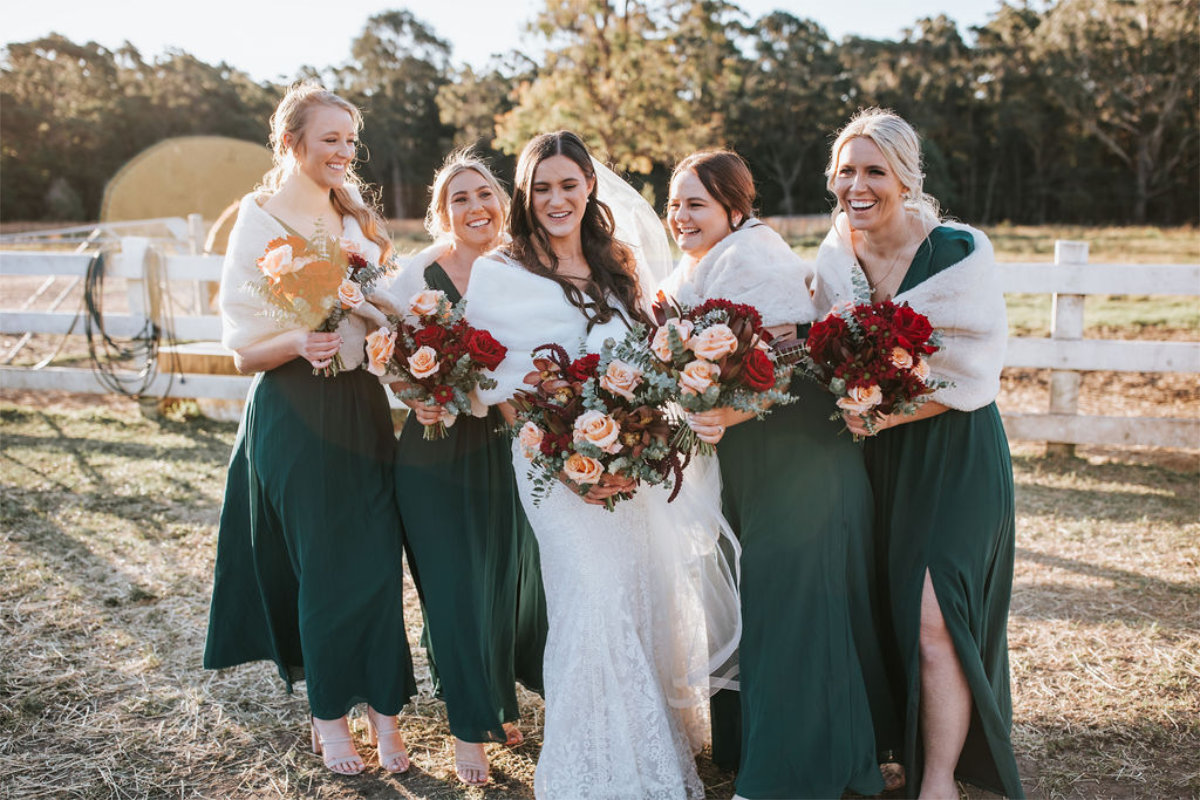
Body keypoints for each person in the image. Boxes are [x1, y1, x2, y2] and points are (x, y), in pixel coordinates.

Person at [463, 130, 737, 800]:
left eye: (569, 184)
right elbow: (506, 397)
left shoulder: (617, 262)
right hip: (550, 468)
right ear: (526, 196)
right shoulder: (503, 271)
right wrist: (571, 468)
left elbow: (646, 366)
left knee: (638, 591)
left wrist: (635, 449)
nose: (557, 199)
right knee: (594, 597)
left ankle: (645, 740)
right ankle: (594, 770)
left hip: (631, 467)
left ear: (589, 185)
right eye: (543, 187)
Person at [203, 81, 416, 777]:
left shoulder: (351, 217)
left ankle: (386, 709)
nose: (344, 153)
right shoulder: (259, 224)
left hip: (358, 406)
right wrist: (298, 339)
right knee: (324, 567)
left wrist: (379, 314)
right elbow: (242, 351)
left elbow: (379, 302)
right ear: (290, 142)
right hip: (294, 410)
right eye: (331, 139)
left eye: (351, 141)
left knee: (378, 565)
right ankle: (330, 718)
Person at [663, 150, 887, 799]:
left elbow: (790, 355)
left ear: (736, 207)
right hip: (751, 456)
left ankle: (788, 773)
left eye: (696, 203)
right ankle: (759, 744)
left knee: (791, 606)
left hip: (797, 457)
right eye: (675, 203)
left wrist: (723, 413)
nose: (680, 215)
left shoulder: (755, 258)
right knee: (759, 601)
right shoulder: (700, 263)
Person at [813, 107, 1023, 799]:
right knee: (887, 609)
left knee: (938, 617)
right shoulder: (835, 255)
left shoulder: (959, 250)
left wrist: (882, 416)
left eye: (875, 171)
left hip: (954, 450)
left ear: (906, 178)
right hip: (877, 461)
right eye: (847, 171)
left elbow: (971, 372)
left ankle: (938, 782)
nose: (859, 186)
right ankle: (899, 746)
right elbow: (825, 352)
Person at [384, 150, 548, 786]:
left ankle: (498, 699)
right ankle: (467, 726)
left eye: (484, 193)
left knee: (505, 581)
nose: (476, 206)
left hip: (510, 447)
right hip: (436, 449)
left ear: (502, 202)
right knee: (454, 587)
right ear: (440, 212)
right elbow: (388, 359)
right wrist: (421, 390)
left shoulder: (522, 267)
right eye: (460, 197)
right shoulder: (416, 276)